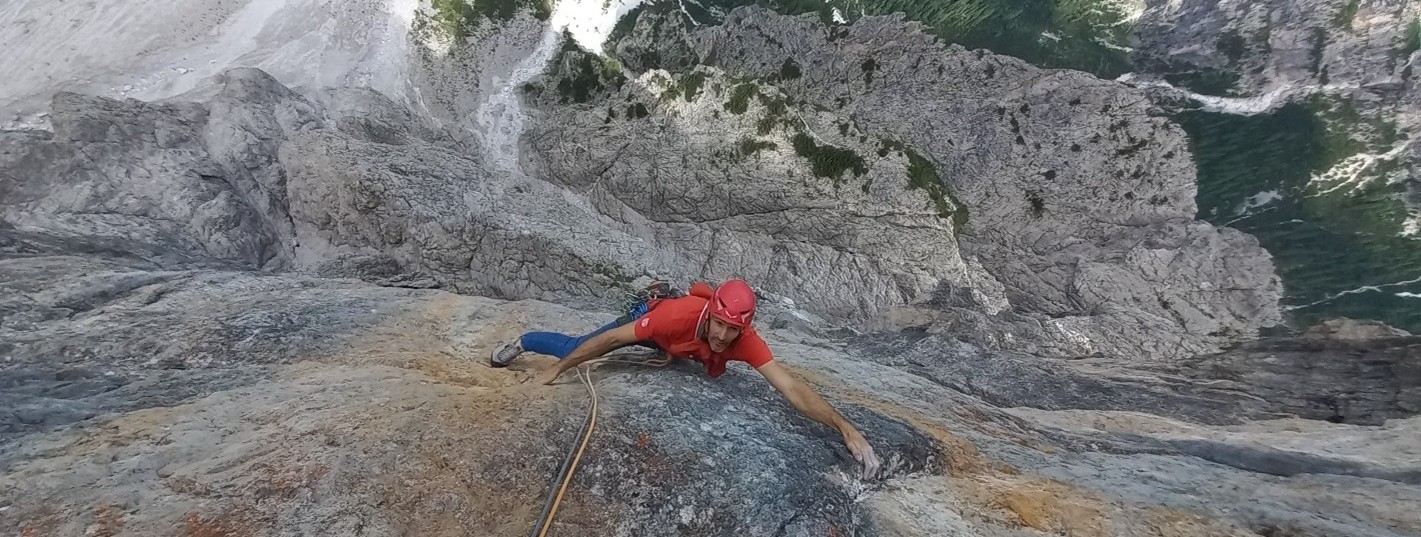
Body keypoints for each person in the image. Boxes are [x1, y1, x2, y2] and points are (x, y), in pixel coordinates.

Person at [490, 279, 882, 477]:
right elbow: (611, 339)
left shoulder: (742, 339)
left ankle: (667, 350)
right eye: (720, 325)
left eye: (733, 330)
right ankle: (524, 341)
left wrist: (843, 427)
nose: (723, 336)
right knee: (575, 345)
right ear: (710, 311)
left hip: (673, 342)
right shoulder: (675, 316)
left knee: (681, 350)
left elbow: (791, 387)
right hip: (651, 322)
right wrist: (558, 370)